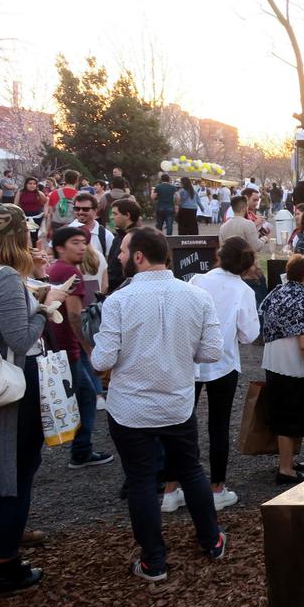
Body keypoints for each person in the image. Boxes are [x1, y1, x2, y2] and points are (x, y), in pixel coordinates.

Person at [92, 226, 227, 581]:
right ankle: (211, 540)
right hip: (176, 402)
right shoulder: (196, 297)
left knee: (140, 480)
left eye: (122, 251)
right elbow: (212, 351)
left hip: (130, 407)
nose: (119, 257)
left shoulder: (119, 301)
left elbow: (102, 360)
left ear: (138, 257)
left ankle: (154, 560)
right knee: (191, 470)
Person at [0, 204, 67, 595]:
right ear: (17, 238)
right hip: (16, 384)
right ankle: (5, 563)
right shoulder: (5, 279)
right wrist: (47, 305)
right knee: (18, 473)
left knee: (4, 467)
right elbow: (19, 338)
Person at [158, 238, 260, 513]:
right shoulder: (243, 291)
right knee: (219, 425)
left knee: (179, 423)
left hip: (187, 361)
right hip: (223, 362)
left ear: (219, 255)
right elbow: (249, 334)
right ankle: (217, 488)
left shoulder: (196, 281)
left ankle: (170, 489)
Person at [47, 226, 112, 469]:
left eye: (84, 242)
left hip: (57, 345)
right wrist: (87, 348)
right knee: (86, 396)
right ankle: (81, 451)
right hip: (68, 346)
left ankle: (80, 448)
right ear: (60, 248)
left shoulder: (53, 268)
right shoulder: (69, 272)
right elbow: (74, 316)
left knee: (84, 393)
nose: (82, 246)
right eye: (75, 242)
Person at [260, 254, 304, 484]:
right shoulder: (302, 299)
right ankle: (286, 469)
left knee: (283, 417)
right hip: (293, 367)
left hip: (274, 363)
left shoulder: (278, 292)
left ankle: (287, 462)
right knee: (292, 419)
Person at [67, 192, 113, 302]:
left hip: (95, 297)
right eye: (77, 208)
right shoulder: (65, 233)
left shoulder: (105, 235)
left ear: (95, 210)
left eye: (85, 209)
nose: (80, 212)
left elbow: (109, 266)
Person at [107, 199, 142, 291]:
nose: (111, 217)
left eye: (115, 214)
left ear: (127, 215)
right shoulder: (119, 235)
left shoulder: (137, 238)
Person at [44, 169, 79, 236]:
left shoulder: (54, 193)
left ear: (64, 179)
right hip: (73, 226)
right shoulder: (80, 195)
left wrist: (48, 229)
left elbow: (50, 213)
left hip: (56, 225)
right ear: (77, 180)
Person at [17, 178, 47, 243]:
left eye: (34, 184)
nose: (32, 185)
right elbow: (15, 205)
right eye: (30, 183)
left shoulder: (39, 193)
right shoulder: (20, 193)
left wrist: (45, 212)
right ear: (26, 184)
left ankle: (35, 249)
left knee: (35, 236)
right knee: (26, 236)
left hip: (37, 217)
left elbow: (46, 202)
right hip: (25, 217)